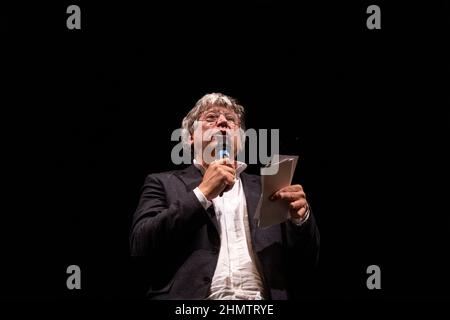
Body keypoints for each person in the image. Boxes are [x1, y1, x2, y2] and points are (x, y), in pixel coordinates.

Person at [130, 93, 320, 300]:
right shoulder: (163, 182)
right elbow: (141, 245)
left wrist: (300, 219)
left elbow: (307, 262)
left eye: (231, 120)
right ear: (191, 137)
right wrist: (202, 194)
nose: (223, 122)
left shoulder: (268, 187)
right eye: (211, 118)